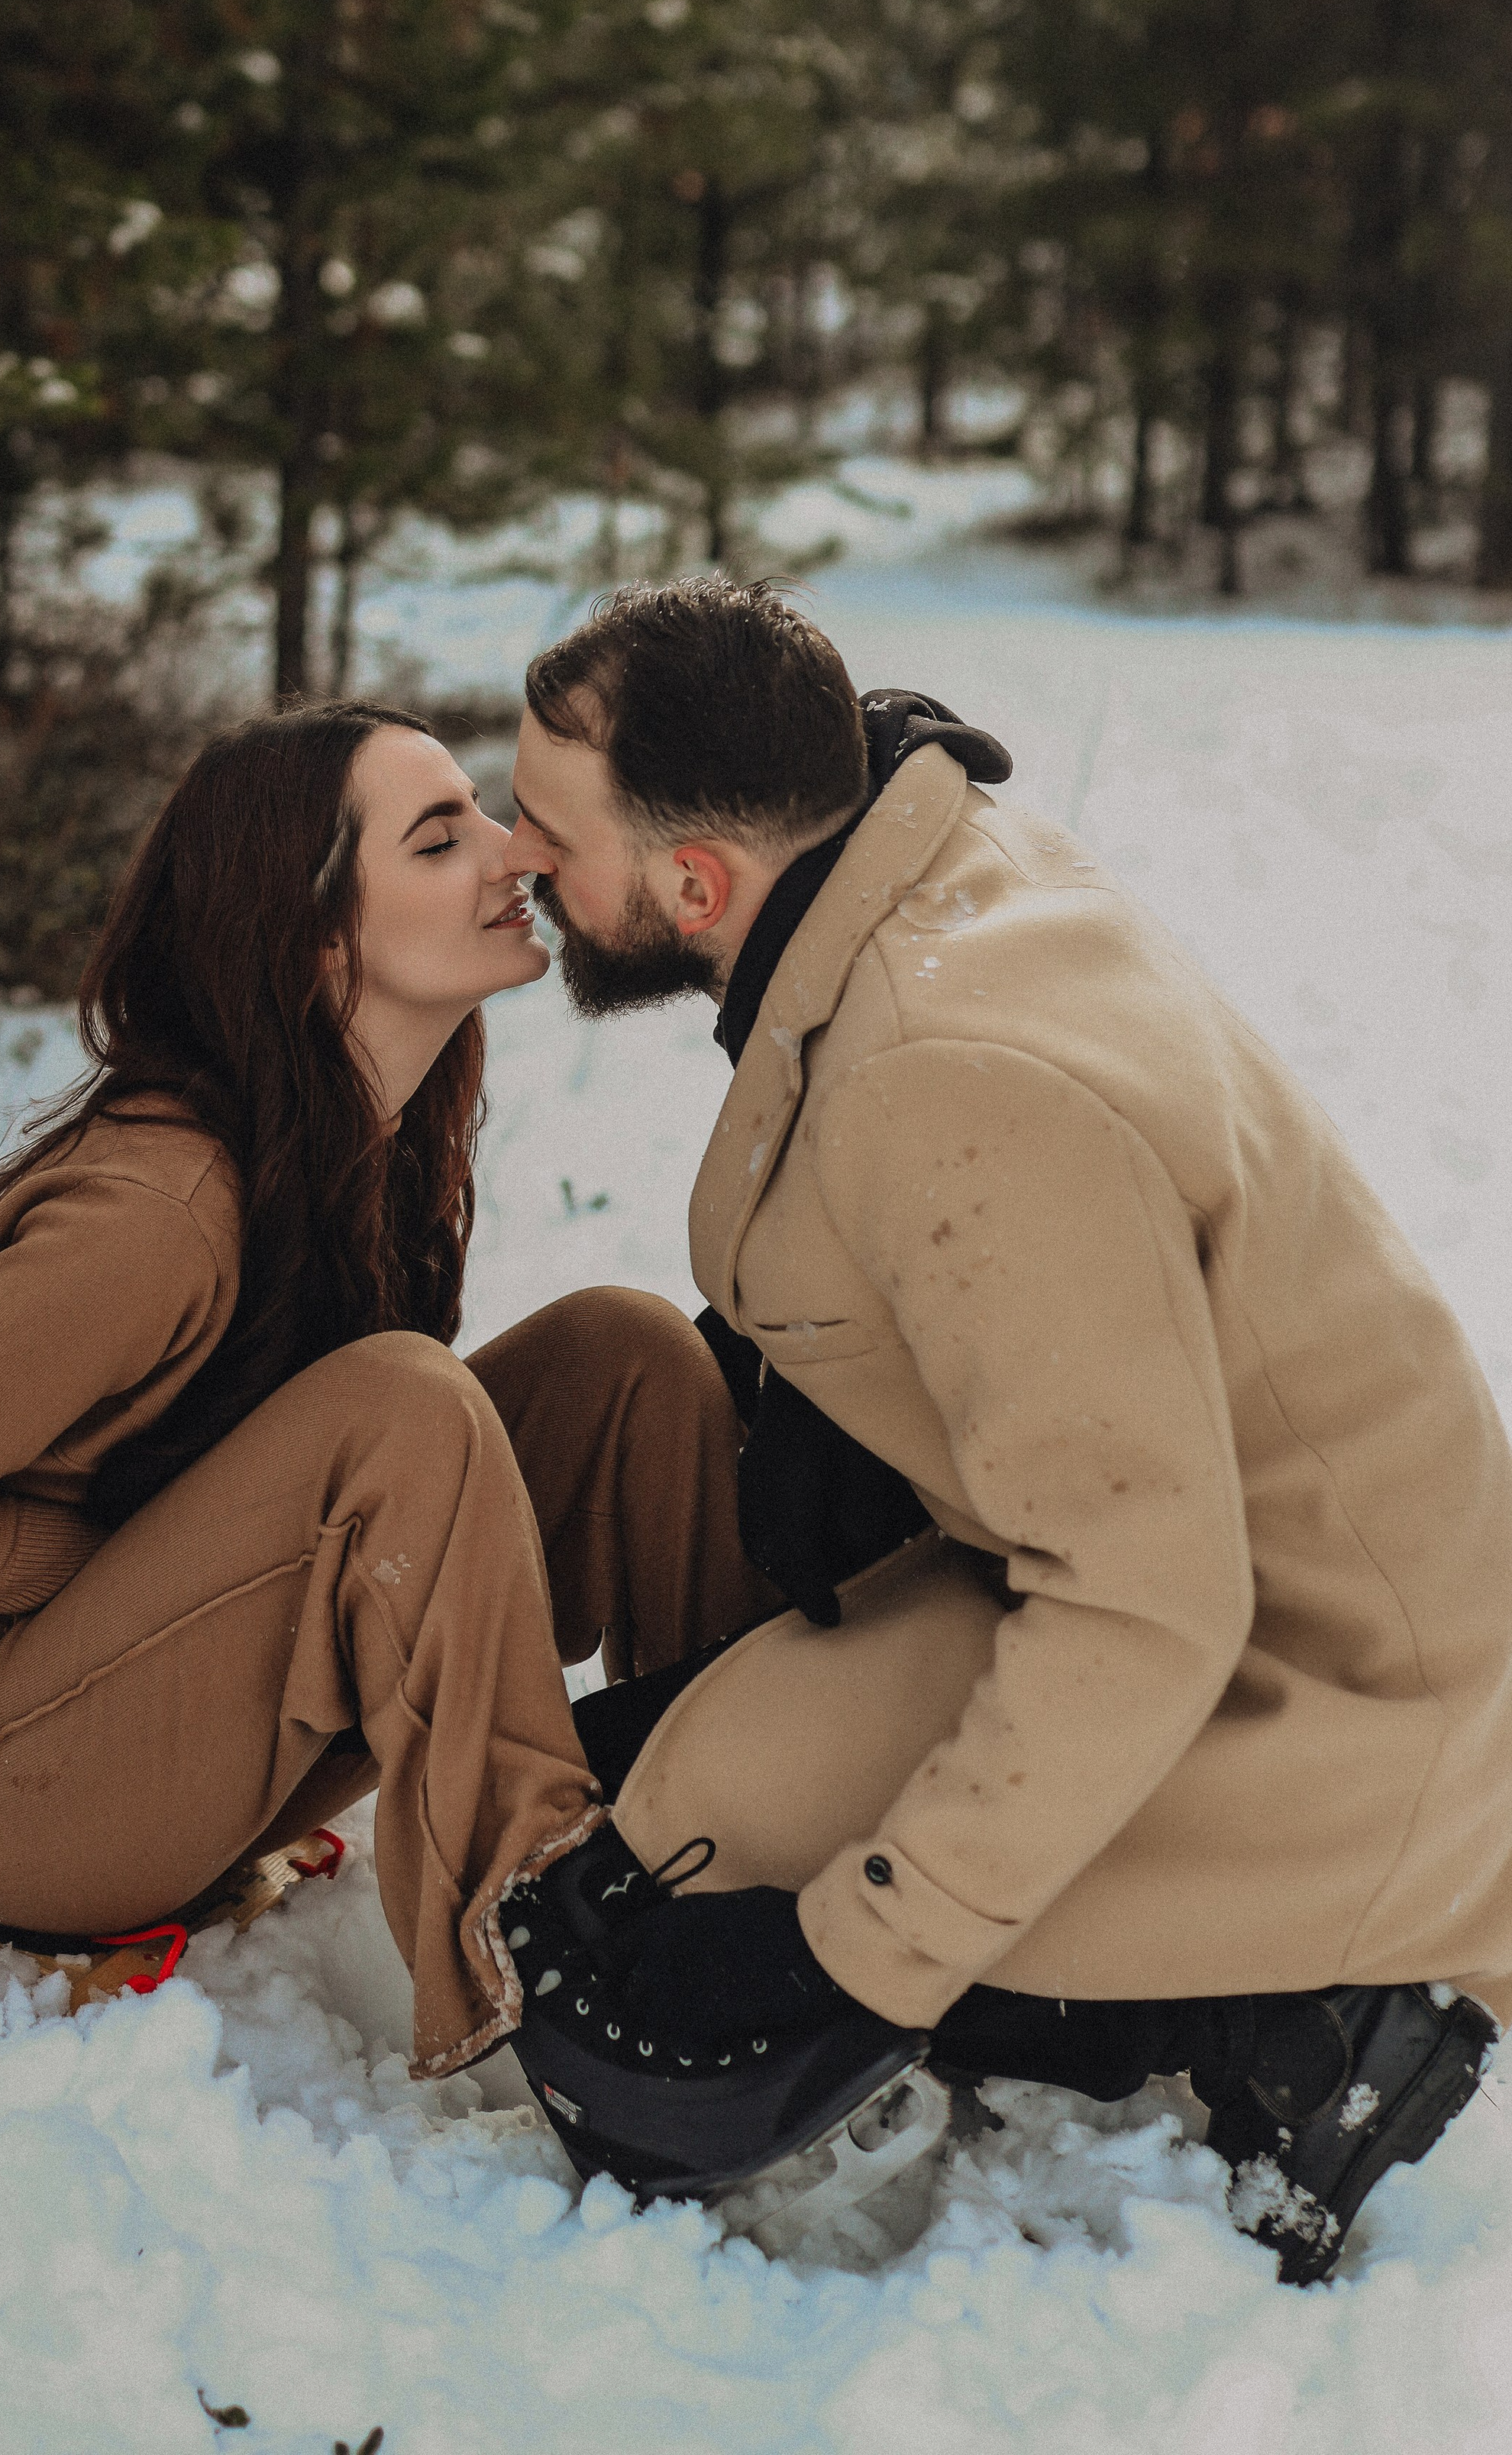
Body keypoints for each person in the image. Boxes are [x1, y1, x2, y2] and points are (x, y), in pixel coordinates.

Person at [495, 577, 1510, 2278]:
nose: (513, 853)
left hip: (1324, 1680)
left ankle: (1306, 2007)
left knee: (687, 1870)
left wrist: (858, 1955)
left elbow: (1141, 1598)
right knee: (656, 1799)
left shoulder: (942, 1066)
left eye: (542, 830)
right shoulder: (911, 858)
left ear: (691, 883)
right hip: (1211, 1559)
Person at [0, 702, 769, 2081]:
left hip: (178, 1713)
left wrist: (207, 1572)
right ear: (316, 941)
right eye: (441, 840)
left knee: (625, 1357)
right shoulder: (159, 1213)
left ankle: (758, 1841)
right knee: (403, 1406)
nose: (514, 854)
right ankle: (558, 1956)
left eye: (482, 814)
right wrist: (130, 1571)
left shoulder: (364, 1138)